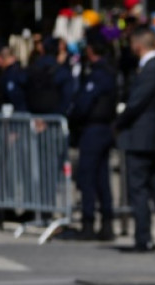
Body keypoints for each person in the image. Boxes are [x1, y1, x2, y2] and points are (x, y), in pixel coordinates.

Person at [113, 25, 155, 253]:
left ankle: (144, 238)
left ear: (138, 45)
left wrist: (118, 123)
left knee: (140, 190)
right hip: (154, 138)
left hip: (142, 138)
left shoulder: (152, 68)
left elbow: (136, 103)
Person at [61, 40, 118, 241]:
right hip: (102, 130)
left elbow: (83, 103)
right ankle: (106, 222)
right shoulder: (107, 72)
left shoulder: (98, 74)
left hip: (93, 130)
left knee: (88, 178)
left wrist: (72, 116)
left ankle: (89, 222)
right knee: (102, 178)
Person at [24, 36, 74, 116]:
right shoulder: (62, 72)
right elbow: (66, 99)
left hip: (31, 117)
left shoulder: (31, 68)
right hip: (53, 120)